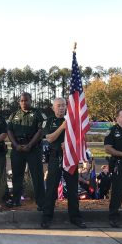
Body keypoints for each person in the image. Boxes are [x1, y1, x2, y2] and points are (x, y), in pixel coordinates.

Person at [41, 98, 86, 229]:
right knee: (51, 189)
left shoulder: (73, 120)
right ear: (53, 107)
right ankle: (47, 217)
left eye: (63, 105)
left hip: (70, 158)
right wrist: (62, 127)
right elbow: (49, 138)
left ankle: (75, 218)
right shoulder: (48, 121)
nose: (61, 108)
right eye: (58, 106)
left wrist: (69, 145)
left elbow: (81, 139)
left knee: (72, 190)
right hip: (55, 158)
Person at [6, 92, 45, 210]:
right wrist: (16, 145)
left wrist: (30, 145)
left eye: (26, 100)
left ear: (30, 100)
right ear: (19, 102)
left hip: (33, 149)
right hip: (17, 149)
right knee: (17, 176)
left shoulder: (38, 114)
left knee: (37, 176)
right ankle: (16, 200)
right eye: (22, 101)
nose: (24, 103)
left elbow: (41, 131)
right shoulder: (14, 115)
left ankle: (41, 203)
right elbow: (9, 131)